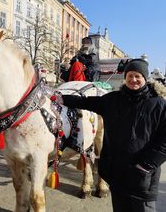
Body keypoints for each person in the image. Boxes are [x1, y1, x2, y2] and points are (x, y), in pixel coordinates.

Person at [61, 58, 166, 212]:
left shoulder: (158, 104)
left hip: (143, 178)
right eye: (130, 76)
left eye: (138, 76)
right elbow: (86, 102)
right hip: (117, 175)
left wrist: (146, 165)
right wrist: (62, 98)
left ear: (145, 77)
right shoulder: (113, 100)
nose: (133, 80)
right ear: (125, 78)